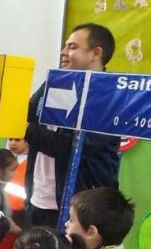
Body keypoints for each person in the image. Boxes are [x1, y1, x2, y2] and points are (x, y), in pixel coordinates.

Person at [25, 23, 122, 228]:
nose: (64, 52)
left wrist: (25, 129)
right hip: (39, 200)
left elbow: (71, 148)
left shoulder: (108, 96)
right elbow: (28, 114)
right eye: (65, 46)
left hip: (82, 209)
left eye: (72, 47)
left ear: (96, 53)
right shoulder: (56, 81)